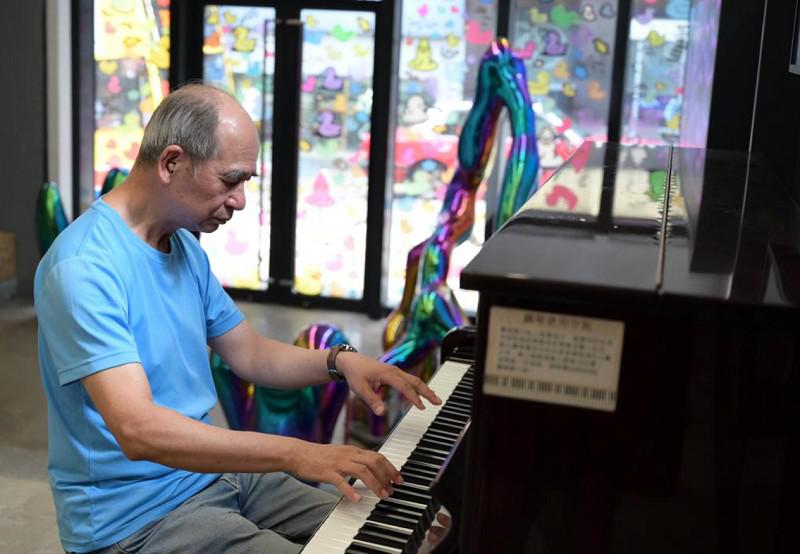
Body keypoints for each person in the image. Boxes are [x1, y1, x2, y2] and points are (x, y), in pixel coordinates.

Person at [34, 83, 444, 553]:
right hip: (136, 518)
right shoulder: (84, 267)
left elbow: (249, 353)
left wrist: (339, 361)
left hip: (213, 474)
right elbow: (139, 431)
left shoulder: (182, 244)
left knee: (393, 529)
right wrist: (296, 454)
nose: (241, 200)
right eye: (231, 180)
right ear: (171, 163)